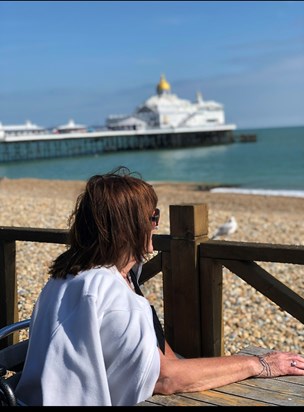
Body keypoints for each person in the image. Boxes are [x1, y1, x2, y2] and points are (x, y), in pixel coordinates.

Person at [15, 166, 304, 406]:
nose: (156, 225)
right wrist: (259, 364)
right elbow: (166, 379)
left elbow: (163, 359)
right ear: (131, 226)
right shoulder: (111, 294)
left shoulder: (67, 276)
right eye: (153, 217)